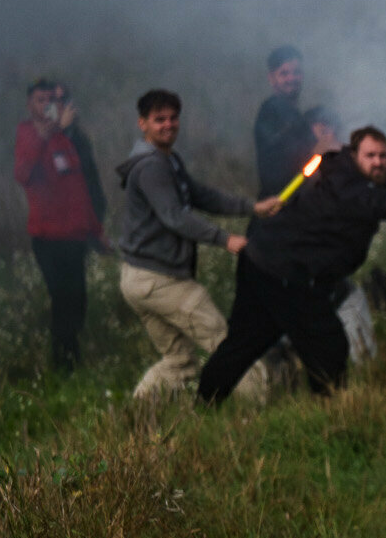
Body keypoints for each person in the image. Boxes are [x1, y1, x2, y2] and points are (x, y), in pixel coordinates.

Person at [197, 126, 386, 403]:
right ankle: (329, 412)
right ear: (354, 154)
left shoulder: (364, 174)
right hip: (285, 272)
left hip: (265, 261)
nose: (378, 162)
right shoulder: (346, 185)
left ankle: (204, 404)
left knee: (246, 343)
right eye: (370, 155)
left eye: (382, 156)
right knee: (328, 345)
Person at [114, 89, 280, 399]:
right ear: (143, 124)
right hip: (159, 280)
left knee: (179, 361)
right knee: (226, 344)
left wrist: (251, 207)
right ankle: (261, 405)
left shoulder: (167, 160)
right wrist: (225, 239)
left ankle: (135, 420)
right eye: (159, 119)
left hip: (138, 279)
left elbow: (201, 195)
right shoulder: (151, 166)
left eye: (173, 118)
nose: (168, 125)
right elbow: (174, 217)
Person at [13, 79, 107, 371]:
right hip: (48, 238)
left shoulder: (69, 139)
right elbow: (23, 174)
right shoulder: (27, 134)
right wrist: (52, 129)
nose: (49, 107)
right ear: (30, 105)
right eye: (42, 101)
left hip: (74, 237)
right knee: (63, 301)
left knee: (78, 302)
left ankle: (70, 361)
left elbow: (82, 190)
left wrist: (97, 232)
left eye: (54, 101)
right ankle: (65, 368)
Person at [254, 45, 316, 197]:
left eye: (297, 72)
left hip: (299, 202)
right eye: (284, 73)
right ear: (271, 78)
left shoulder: (294, 114)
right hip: (279, 203)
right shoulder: (271, 111)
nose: (291, 79)